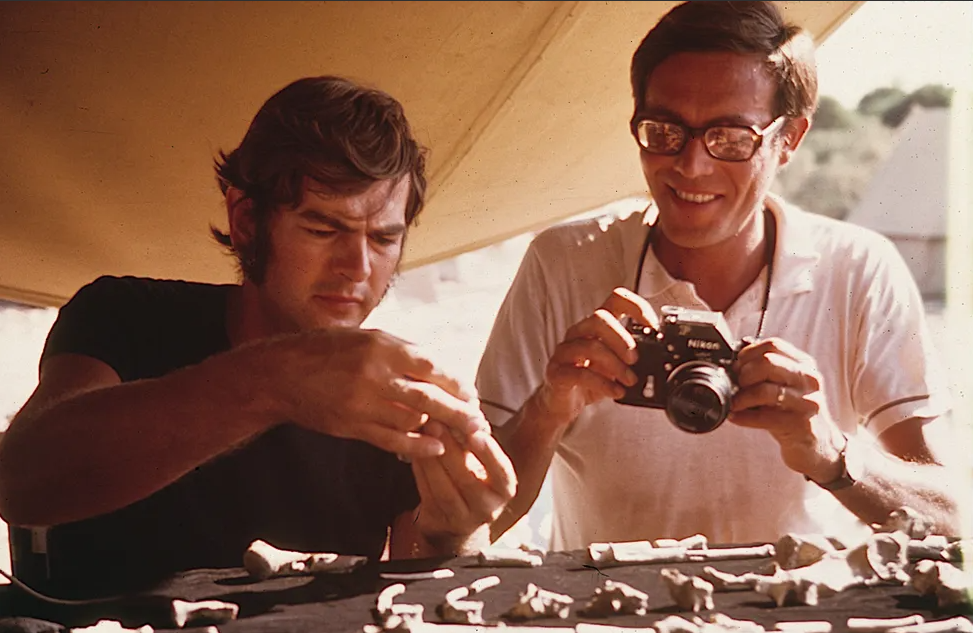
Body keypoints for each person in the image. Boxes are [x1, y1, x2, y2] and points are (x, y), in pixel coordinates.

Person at [476, 1, 966, 552]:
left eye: (730, 138)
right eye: (663, 131)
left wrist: (833, 455)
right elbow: (455, 523)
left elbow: (955, 517)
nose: (691, 166)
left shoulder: (856, 272)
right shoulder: (564, 264)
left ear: (791, 140)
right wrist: (547, 412)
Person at [0, 75, 516, 595]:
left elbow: (416, 590)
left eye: (384, 238)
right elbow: (19, 483)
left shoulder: (386, 391)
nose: (357, 266)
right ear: (246, 219)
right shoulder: (127, 314)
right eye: (323, 229)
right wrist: (273, 382)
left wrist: (456, 530)